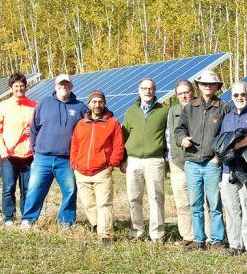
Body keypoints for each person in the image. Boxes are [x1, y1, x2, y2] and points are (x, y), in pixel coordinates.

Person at [20, 74, 89, 229]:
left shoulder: (80, 107)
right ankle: (28, 219)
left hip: (66, 159)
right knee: (35, 190)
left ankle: (65, 221)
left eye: (66, 84)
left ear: (71, 86)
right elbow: (34, 128)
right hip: (42, 157)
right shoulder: (44, 103)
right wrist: (35, 150)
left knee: (70, 190)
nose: (63, 86)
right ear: (55, 86)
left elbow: (89, 128)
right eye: (60, 84)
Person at [175, 70, 230, 250]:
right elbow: (179, 130)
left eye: (211, 84)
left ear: (216, 87)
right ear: (198, 86)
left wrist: (218, 158)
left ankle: (217, 240)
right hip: (191, 162)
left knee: (214, 204)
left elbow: (228, 136)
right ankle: (198, 240)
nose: (207, 86)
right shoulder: (190, 107)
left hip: (212, 163)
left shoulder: (223, 107)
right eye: (204, 83)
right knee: (196, 203)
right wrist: (182, 139)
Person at [70, 91, 125, 243]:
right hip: (81, 171)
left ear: (104, 103)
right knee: (88, 204)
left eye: (100, 102)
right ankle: (96, 224)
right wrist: (74, 164)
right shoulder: (81, 124)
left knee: (104, 203)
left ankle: (105, 234)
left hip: (102, 170)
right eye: (94, 102)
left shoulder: (112, 123)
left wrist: (111, 164)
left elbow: (118, 146)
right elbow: (74, 146)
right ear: (89, 104)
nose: (97, 105)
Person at [218, 81, 247, 258]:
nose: (239, 98)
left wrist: (234, 146)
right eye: (236, 95)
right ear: (232, 97)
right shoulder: (228, 117)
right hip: (229, 171)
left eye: (243, 94)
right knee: (231, 209)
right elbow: (222, 140)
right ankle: (235, 244)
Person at [122, 78, 168, 242]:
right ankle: (137, 231)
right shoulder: (130, 111)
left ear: (155, 90)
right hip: (133, 160)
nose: (147, 91)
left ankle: (157, 234)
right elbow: (124, 135)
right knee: (134, 197)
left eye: (150, 88)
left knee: (156, 197)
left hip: (154, 160)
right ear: (139, 90)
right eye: (144, 88)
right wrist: (123, 159)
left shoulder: (164, 111)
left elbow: (167, 136)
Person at [0, 72, 36, 226]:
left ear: (26, 87)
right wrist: (1, 148)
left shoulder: (34, 106)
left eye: (22, 86)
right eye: (16, 86)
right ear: (11, 88)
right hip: (8, 155)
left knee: (27, 188)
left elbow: (39, 127)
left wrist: (34, 131)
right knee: (9, 187)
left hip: (28, 155)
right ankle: (9, 217)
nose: (19, 89)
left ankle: (26, 217)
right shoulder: (3, 106)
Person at [167, 79, 195, 246]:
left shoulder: (200, 107)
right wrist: (169, 159)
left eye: (187, 92)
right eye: (180, 93)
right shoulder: (173, 111)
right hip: (178, 163)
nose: (184, 95)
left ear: (192, 92)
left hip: (199, 162)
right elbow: (169, 135)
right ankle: (188, 236)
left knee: (202, 202)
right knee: (182, 202)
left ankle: (206, 235)